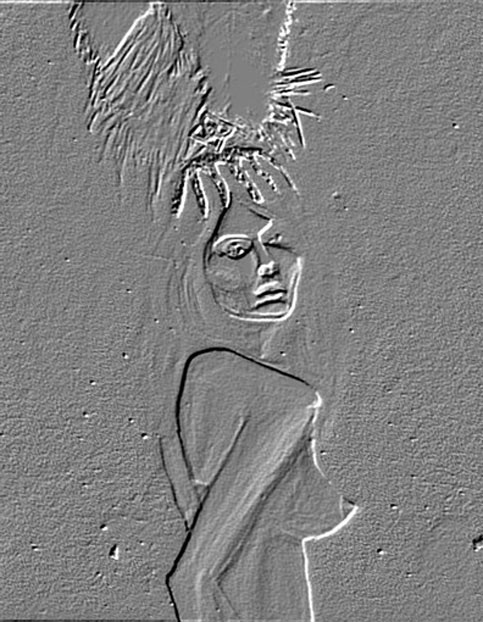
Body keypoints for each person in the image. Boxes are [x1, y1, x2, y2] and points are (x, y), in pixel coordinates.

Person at [68, 2, 359, 619]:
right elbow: (191, 578)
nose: (269, 266)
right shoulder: (257, 391)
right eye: (235, 250)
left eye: (276, 243)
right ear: (191, 271)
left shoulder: (242, 380)